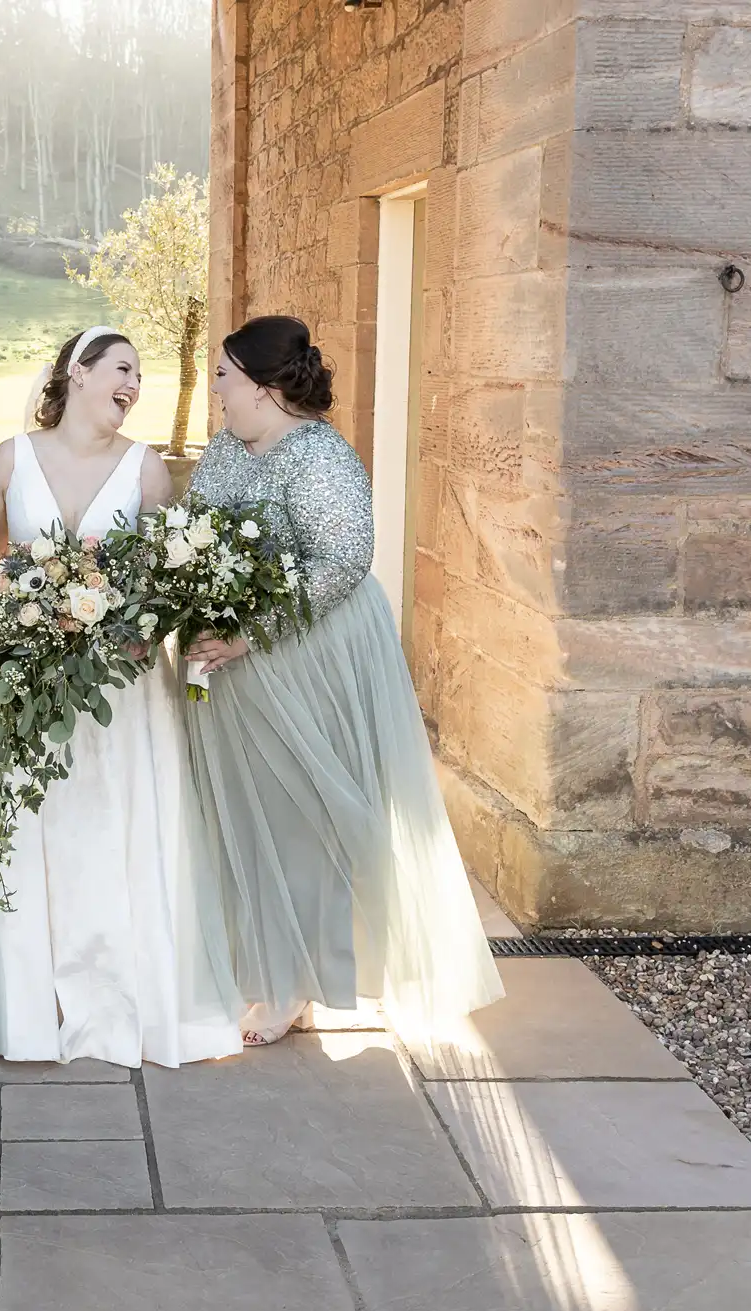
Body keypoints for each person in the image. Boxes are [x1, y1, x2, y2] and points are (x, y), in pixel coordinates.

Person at [183, 314, 504, 1045]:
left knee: (307, 812)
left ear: (265, 388)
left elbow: (341, 561)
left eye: (226, 378)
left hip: (308, 650)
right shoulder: (226, 450)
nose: (219, 393)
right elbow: (193, 532)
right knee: (249, 807)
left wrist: (248, 632)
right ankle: (262, 964)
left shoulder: (321, 457)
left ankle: (298, 979)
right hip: (232, 662)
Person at [0, 326, 245, 1068]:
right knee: (42, 829)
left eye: (139, 376)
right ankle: (41, 1003)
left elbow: (161, 578)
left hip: (121, 688)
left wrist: (137, 624)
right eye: (123, 368)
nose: (133, 385)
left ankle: (125, 998)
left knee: (113, 828)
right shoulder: (11, 459)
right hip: (31, 678)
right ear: (77, 372)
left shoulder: (147, 470)